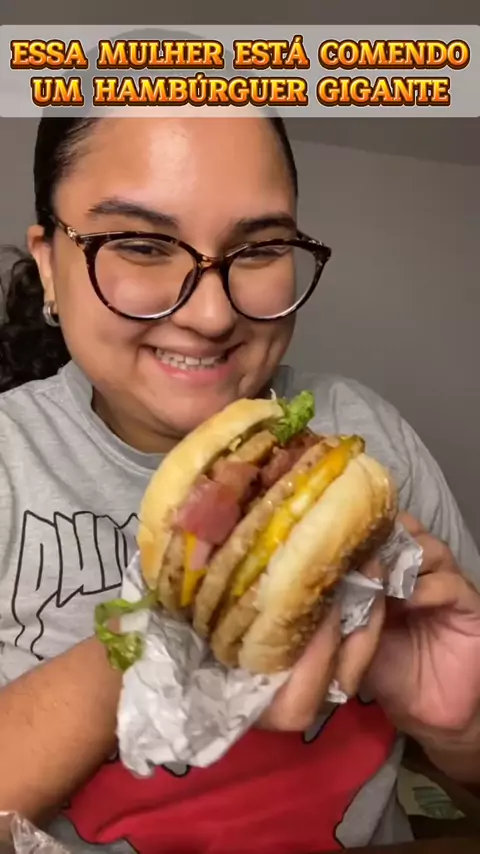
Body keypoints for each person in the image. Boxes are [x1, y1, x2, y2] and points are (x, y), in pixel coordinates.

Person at [0, 114, 480, 854]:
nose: (213, 314)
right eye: (142, 245)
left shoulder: (370, 435)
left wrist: (462, 729)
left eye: (259, 248)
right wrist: (172, 624)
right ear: (50, 268)